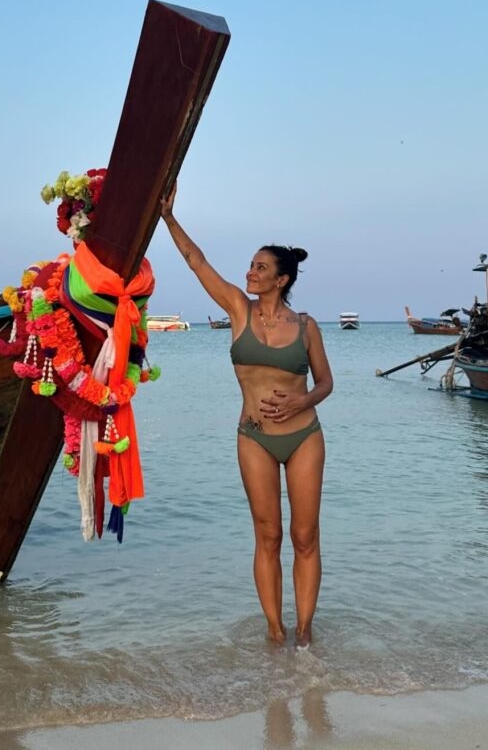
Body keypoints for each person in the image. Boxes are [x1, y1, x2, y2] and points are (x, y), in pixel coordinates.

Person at [160, 184, 333, 648]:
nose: (250, 273)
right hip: (254, 436)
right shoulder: (238, 309)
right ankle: (275, 631)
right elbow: (197, 262)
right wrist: (168, 218)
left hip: (303, 437)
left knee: (304, 536)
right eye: (251, 266)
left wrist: (303, 401)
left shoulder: (307, 326)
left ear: (282, 280)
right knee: (268, 535)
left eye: (261, 268)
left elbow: (325, 384)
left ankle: (305, 630)